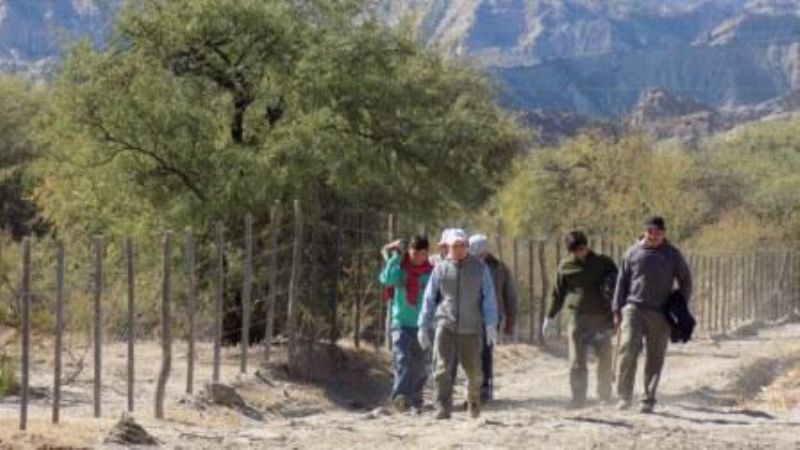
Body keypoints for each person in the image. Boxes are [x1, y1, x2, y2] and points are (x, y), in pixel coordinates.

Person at [613, 216, 692, 413]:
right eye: (651, 232)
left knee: (655, 357)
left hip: (661, 312)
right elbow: (621, 281)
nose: (654, 236)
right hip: (633, 309)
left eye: (658, 233)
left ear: (664, 233)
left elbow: (685, 280)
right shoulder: (632, 253)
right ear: (645, 232)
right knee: (627, 350)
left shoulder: (672, 255)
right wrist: (617, 308)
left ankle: (648, 398)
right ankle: (624, 397)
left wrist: (679, 304)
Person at [418, 229, 498, 419]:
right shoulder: (440, 269)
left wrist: (490, 324)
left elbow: (489, 298)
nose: (458, 249)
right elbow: (429, 298)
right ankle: (443, 407)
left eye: (462, 246)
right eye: (454, 246)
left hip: (472, 328)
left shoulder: (480, 269)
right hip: (445, 325)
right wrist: (423, 325)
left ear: (467, 247)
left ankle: (473, 403)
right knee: (442, 370)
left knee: (474, 373)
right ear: (449, 248)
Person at [543, 231, 618, 408]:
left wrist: (618, 310)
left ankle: (604, 395)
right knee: (577, 361)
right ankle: (578, 397)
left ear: (587, 245)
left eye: (582, 248)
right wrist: (550, 316)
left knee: (605, 357)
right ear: (570, 251)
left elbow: (618, 286)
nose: (579, 253)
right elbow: (557, 294)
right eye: (575, 251)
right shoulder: (565, 267)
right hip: (577, 319)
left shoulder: (604, 263)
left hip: (602, 318)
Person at [379, 236, 434, 413]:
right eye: (414, 253)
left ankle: (416, 397)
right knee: (402, 359)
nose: (417, 257)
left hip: (424, 324)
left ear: (427, 254)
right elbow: (387, 280)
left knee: (420, 364)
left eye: (422, 254)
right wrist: (395, 256)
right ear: (409, 251)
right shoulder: (400, 268)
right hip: (401, 323)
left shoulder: (432, 272)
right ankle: (401, 397)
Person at [468, 233, 518, 403]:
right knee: (470, 354)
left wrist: (510, 322)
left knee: (486, 353)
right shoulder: (465, 266)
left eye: (483, 252)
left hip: (491, 318)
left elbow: (509, 295)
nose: (480, 255)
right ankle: (473, 388)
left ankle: (484, 389)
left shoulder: (500, 269)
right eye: (477, 252)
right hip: (469, 316)